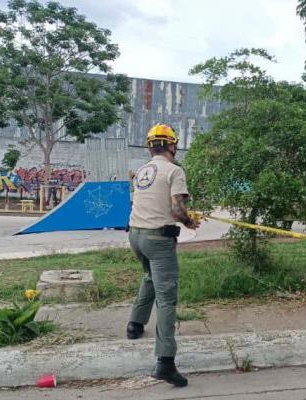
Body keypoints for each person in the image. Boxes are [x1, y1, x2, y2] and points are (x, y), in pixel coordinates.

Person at [126, 124, 201, 387]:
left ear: (150, 147)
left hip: (135, 236)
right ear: (172, 145)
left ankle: (135, 324)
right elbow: (177, 209)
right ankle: (165, 362)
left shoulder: (142, 170)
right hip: (158, 239)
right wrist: (190, 221)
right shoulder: (174, 171)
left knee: (149, 277)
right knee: (167, 299)